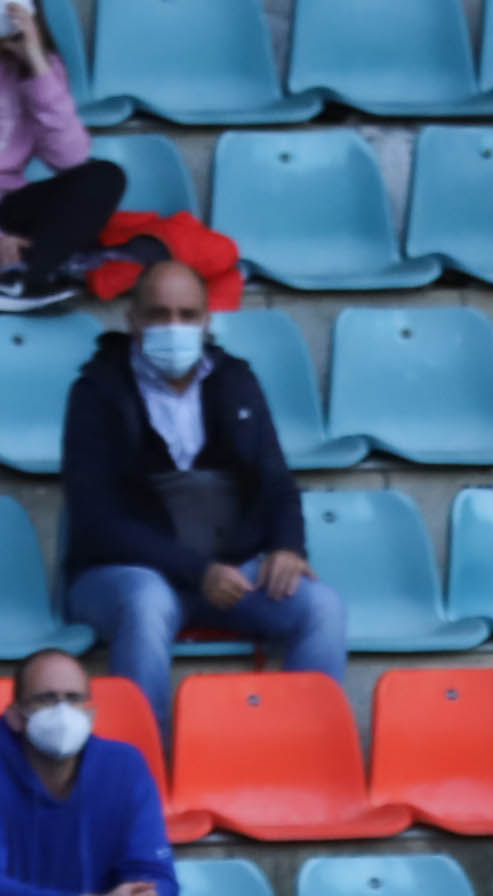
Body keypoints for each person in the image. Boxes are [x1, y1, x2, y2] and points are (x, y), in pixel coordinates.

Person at [60, 262, 345, 734]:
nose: (174, 327)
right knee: (146, 602)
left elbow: (277, 482)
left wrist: (287, 547)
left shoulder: (237, 380)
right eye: (158, 314)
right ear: (133, 320)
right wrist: (198, 571)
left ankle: (302, 752)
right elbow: (97, 519)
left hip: (230, 572)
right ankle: (145, 758)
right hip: (125, 575)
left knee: (322, 607)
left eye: (188, 314)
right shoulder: (96, 392)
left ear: (207, 320)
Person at [1, 648, 177, 896]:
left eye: (73, 698)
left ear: (90, 714)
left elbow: (154, 871)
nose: (62, 711)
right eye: (46, 699)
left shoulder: (125, 766)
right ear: (15, 716)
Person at [0, 0, 122, 311]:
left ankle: (21, 277)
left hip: (8, 206)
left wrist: (36, 65)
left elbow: (71, 159)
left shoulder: (37, 68)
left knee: (104, 177)